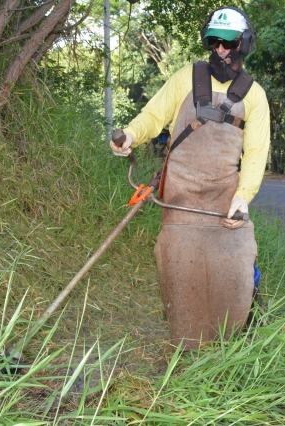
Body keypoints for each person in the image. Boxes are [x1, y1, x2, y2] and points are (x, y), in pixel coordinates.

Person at [110, 6, 270, 350]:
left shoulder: (254, 95)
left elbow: (256, 153)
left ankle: (242, 339)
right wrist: (130, 135)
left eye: (228, 42)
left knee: (238, 267)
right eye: (214, 41)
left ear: (244, 44)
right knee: (180, 272)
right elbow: (154, 115)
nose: (221, 50)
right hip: (180, 198)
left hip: (226, 202)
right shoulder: (187, 77)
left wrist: (243, 198)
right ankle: (188, 347)